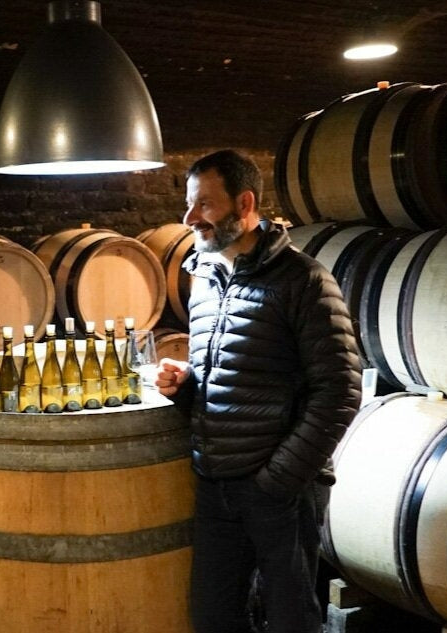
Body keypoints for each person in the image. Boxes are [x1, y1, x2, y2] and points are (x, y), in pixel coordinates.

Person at [155, 149, 362, 633]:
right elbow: (233, 377)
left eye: (204, 205)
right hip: (217, 485)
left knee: (291, 619)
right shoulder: (204, 278)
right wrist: (186, 386)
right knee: (213, 617)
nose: (189, 219)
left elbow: (340, 390)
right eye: (189, 205)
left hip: (278, 492)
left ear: (244, 203)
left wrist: (277, 480)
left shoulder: (305, 280)